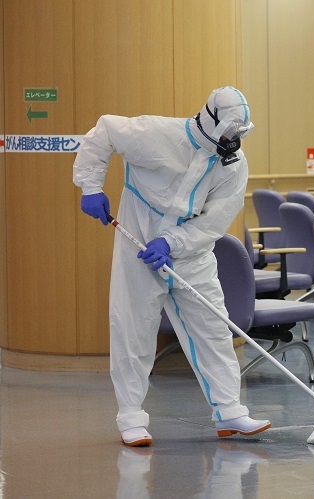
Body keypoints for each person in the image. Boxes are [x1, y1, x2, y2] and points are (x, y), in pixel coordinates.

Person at [73, 86, 271, 447]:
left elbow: (215, 220)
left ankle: (229, 412)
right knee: (133, 328)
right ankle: (131, 416)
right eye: (227, 132)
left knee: (212, 326)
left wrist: (174, 243)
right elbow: (104, 131)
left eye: (237, 134)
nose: (231, 141)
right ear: (210, 120)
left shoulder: (234, 165)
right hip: (139, 240)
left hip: (192, 251)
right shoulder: (156, 135)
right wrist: (90, 186)